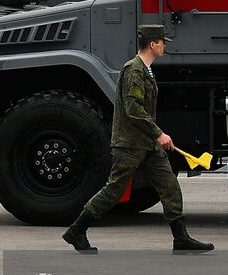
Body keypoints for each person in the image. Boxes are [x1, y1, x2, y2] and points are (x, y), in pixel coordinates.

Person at [62, 25, 213, 254]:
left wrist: (154, 137)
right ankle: (77, 230)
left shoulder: (146, 70)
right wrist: (158, 133)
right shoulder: (134, 70)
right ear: (152, 44)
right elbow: (133, 109)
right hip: (130, 143)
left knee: (169, 186)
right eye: (162, 42)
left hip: (147, 144)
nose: (164, 45)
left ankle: (180, 238)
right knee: (114, 190)